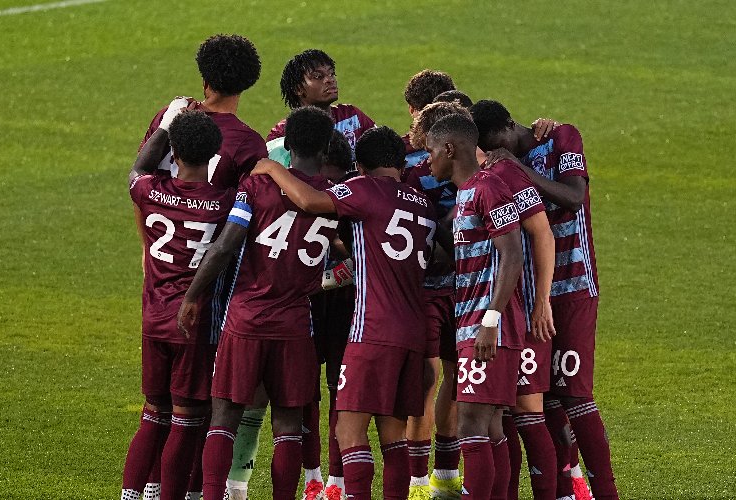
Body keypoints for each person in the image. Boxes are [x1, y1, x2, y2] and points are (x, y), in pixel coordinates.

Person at [249, 126, 437, 500]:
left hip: (372, 330)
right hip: (414, 332)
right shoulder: (423, 203)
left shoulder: (366, 189)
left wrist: (271, 168)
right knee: (393, 437)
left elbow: (309, 200)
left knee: (349, 433)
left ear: (361, 166)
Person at [179, 106, 343, 500]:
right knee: (288, 426)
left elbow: (223, 248)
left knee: (224, 417)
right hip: (295, 326)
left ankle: (216, 494)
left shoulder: (256, 189)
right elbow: (350, 256)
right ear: (325, 149)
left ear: (287, 146)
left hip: (246, 321)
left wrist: (191, 296)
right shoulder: (332, 200)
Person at [473, 99, 615, 500]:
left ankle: (605, 491)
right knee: (540, 398)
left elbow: (572, 196)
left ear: (505, 127)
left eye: (492, 144)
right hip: (535, 295)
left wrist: (519, 168)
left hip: (573, 286)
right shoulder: (505, 166)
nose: (493, 153)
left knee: (573, 394)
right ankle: (566, 488)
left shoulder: (560, 138)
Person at [119, 111, 235, 500]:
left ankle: (132, 494)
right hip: (195, 325)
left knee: (152, 414)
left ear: (175, 153)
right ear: (216, 152)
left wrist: (167, 125)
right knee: (186, 422)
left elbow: (137, 168)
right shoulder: (225, 202)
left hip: (153, 320)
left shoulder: (150, 190)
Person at [424, 113, 529, 500]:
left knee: (471, 426)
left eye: (431, 151)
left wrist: (490, 319)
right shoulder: (468, 193)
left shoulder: (489, 188)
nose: (427, 160)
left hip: (488, 327)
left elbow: (513, 255)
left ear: (450, 149)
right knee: (492, 429)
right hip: (477, 324)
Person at [133, 34, 266, 190]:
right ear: (247, 83)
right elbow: (248, 205)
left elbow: (139, 181)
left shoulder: (167, 116)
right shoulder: (248, 143)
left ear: (205, 81)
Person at [266, 49, 378, 165]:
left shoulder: (352, 116)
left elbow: (383, 153)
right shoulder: (283, 133)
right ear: (298, 89)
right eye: (318, 76)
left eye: (332, 73)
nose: (330, 80)